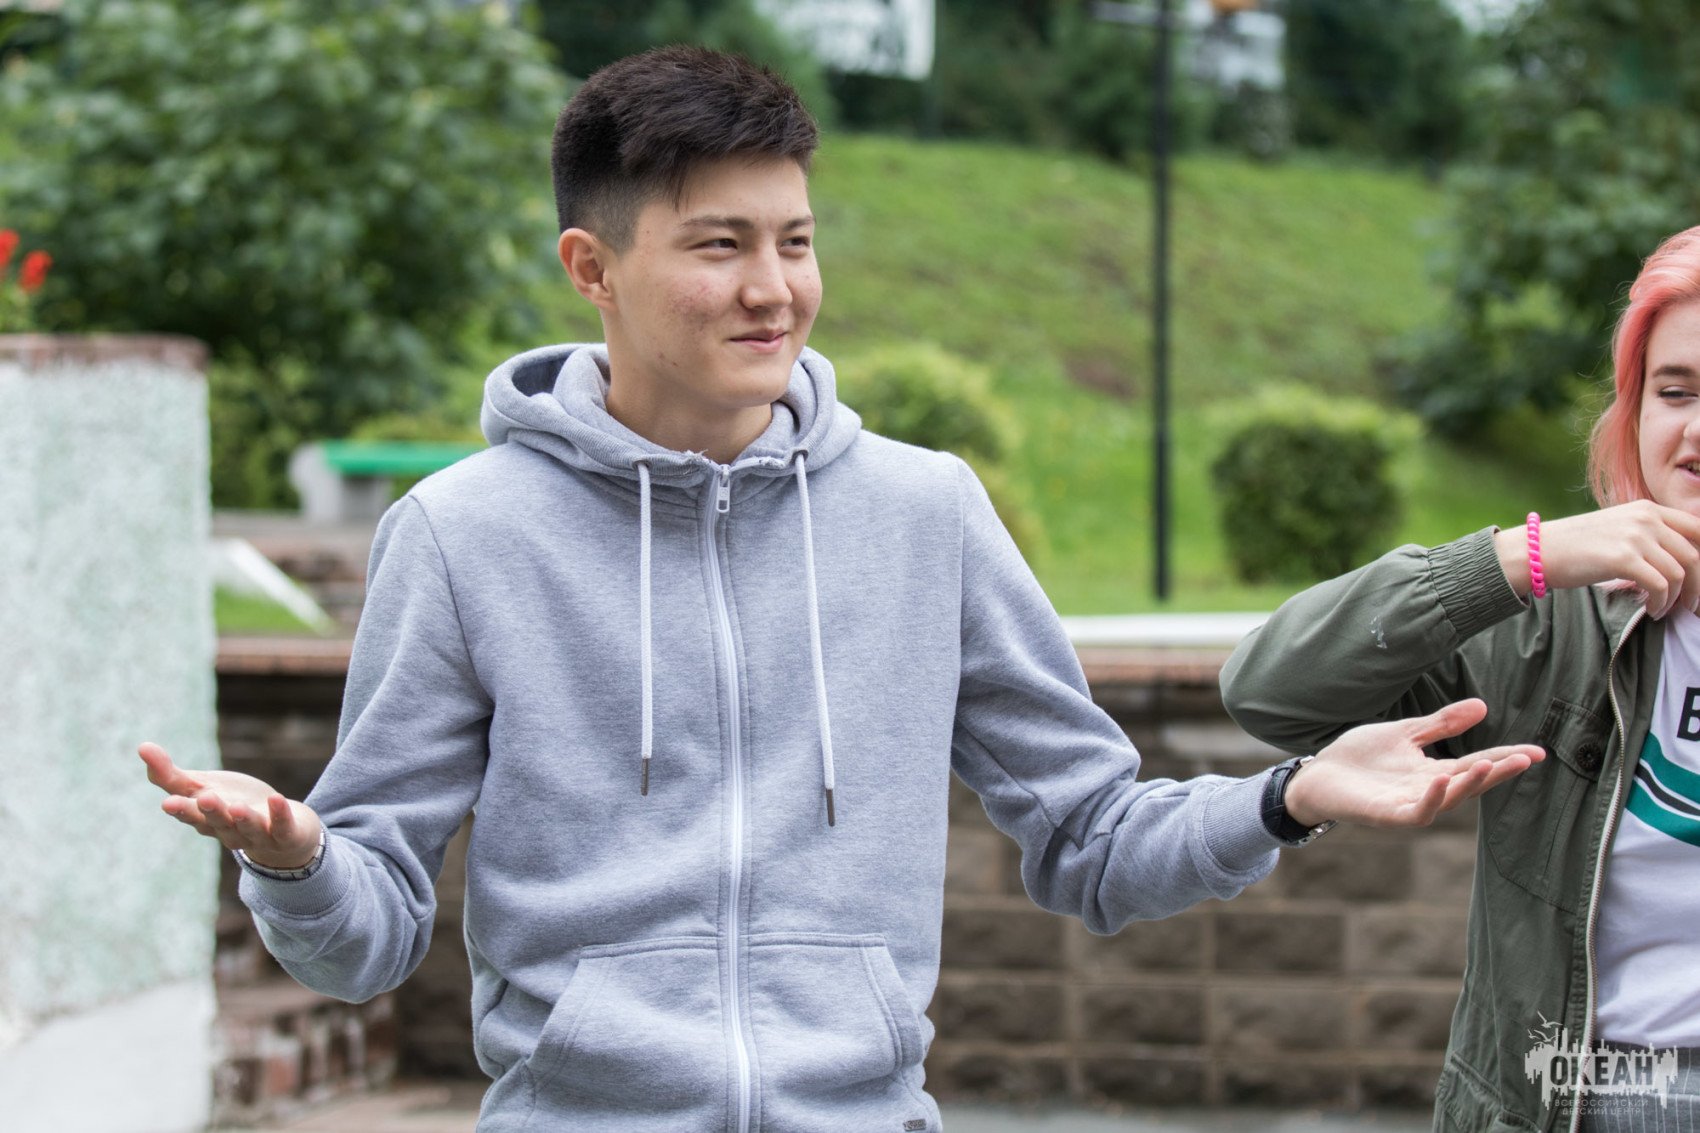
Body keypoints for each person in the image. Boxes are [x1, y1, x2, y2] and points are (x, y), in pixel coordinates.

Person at [141, 46, 1539, 1132]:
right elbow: (367, 938)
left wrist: (1287, 794)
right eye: (719, 244)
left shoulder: (924, 512)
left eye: (795, 240)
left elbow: (1093, 840)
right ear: (592, 268)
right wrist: (297, 858)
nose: (774, 288)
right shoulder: (463, 535)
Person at [1221, 226, 1700, 1132]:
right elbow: (1269, 688)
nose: (1697, 428)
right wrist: (1519, 559)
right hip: (1577, 1098)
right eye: (1675, 391)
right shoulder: (1555, 628)